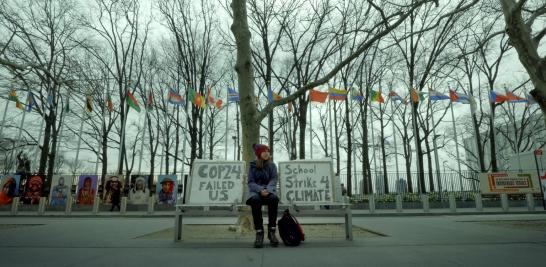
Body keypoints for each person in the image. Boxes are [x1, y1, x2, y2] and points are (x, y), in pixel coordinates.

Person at [246, 143, 280, 248]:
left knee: (274, 199)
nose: (266, 153)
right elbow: (251, 182)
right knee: (255, 201)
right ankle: (259, 233)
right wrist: (260, 190)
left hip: (269, 191)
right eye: (264, 151)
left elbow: (274, 179)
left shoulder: (272, 165)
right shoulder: (252, 166)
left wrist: (268, 190)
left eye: (267, 151)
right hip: (256, 192)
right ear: (259, 153)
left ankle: (272, 232)